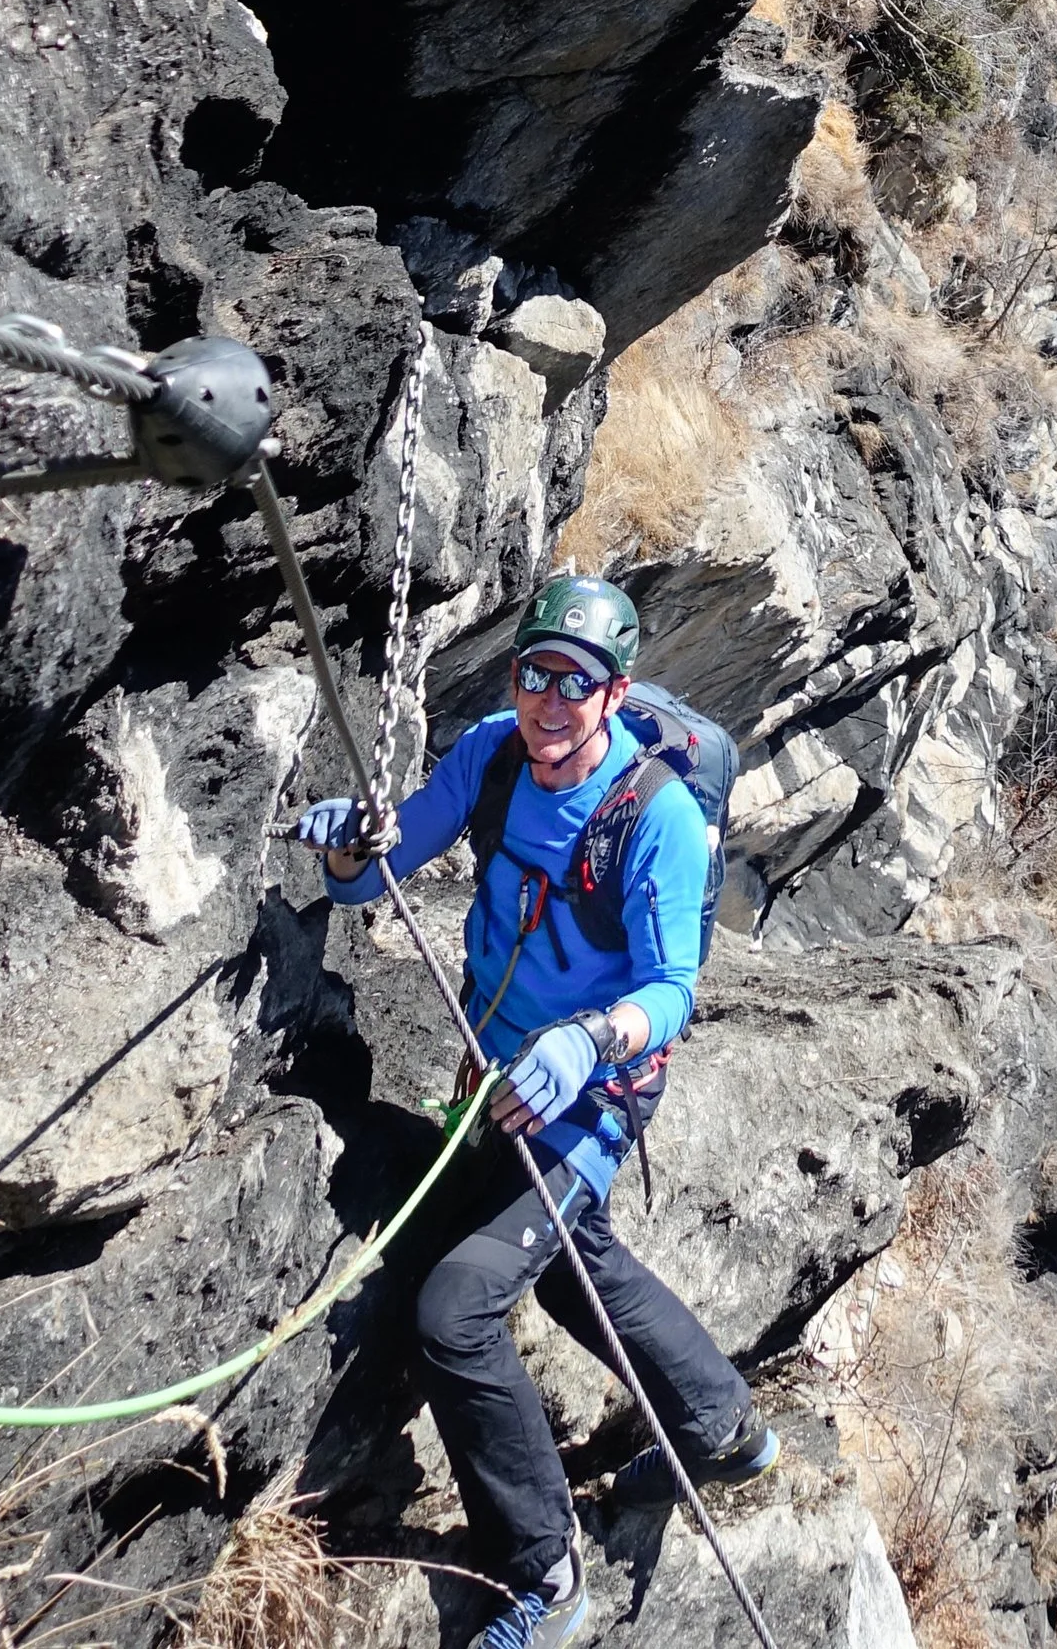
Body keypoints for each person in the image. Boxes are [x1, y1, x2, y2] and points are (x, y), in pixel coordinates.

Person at [298, 571, 773, 1649]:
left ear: (618, 693)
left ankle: (546, 1575)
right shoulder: (493, 756)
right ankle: (722, 1429)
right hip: (497, 1084)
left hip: (585, 1099)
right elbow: (375, 878)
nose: (549, 702)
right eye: (533, 675)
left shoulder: (655, 821)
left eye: (577, 682)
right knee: (569, 1266)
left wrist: (585, 1041)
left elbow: (671, 990)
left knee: (455, 1310)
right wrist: (346, 847)